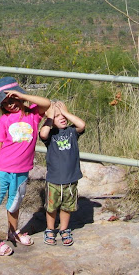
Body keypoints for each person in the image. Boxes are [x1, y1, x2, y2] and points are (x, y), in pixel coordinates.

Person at [0, 76, 51, 256]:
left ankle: (13, 232)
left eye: (13, 99)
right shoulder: (4, 120)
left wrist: (23, 95)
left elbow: (47, 103)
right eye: (5, 103)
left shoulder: (33, 115)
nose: (10, 104)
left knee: (15, 203)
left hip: (21, 171)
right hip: (1, 169)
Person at [39, 100, 86, 247]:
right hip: (54, 179)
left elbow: (82, 125)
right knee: (51, 207)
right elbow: (43, 133)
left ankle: (64, 229)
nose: (62, 118)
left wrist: (65, 113)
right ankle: (50, 229)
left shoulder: (72, 132)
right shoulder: (51, 134)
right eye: (57, 116)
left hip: (71, 178)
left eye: (64, 115)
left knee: (67, 206)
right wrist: (50, 117)